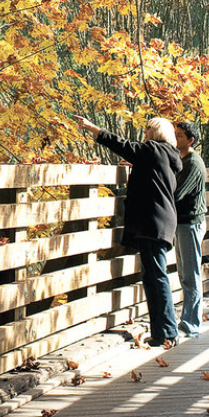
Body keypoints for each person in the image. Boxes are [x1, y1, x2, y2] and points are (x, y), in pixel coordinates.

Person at [72, 115, 183, 347]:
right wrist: (138, 165)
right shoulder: (168, 155)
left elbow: (122, 144)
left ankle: (168, 332)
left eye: (147, 131)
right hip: (161, 221)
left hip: (153, 223)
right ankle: (162, 332)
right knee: (154, 276)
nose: (145, 135)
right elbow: (154, 175)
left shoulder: (153, 150)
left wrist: (94, 127)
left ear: (156, 133)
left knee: (156, 277)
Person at [172, 120, 207, 339]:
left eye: (179, 136)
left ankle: (192, 323)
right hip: (183, 222)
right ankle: (188, 320)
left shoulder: (193, 163)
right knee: (184, 274)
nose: (175, 139)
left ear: (190, 140)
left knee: (191, 274)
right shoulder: (181, 159)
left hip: (191, 223)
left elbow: (177, 193)